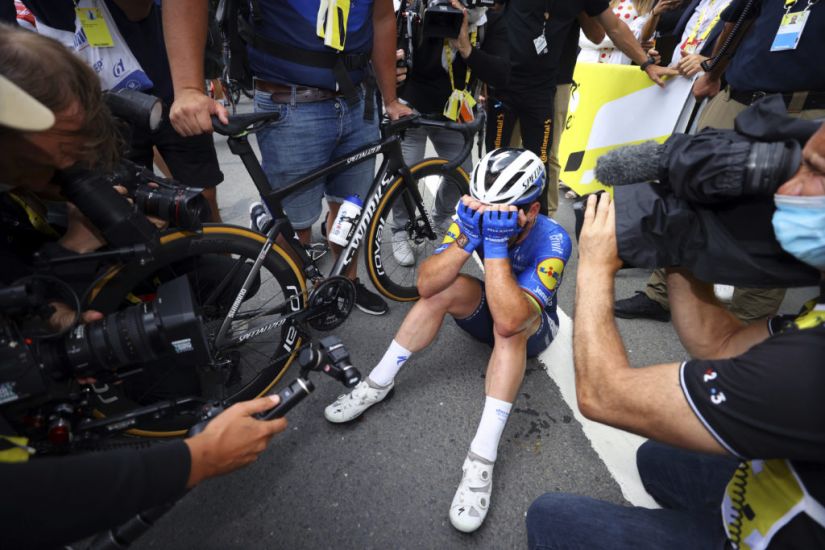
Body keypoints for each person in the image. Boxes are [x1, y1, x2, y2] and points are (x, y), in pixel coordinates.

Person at [0, 63, 288, 550]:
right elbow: (19, 501)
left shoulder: (55, 165)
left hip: (98, 292)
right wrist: (195, 459)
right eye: (62, 146)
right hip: (59, 307)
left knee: (236, 275)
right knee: (170, 383)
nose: (70, 160)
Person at [525, 120, 825, 549]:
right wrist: (679, 245)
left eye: (816, 173)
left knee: (550, 518)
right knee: (655, 457)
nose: (788, 190)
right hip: (778, 485)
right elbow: (717, 346)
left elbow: (603, 395)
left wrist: (594, 263)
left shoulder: (809, 368)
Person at [324, 148, 572, 532]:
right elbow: (426, 284)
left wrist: (492, 247)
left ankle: (481, 460)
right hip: (491, 304)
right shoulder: (472, 217)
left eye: (502, 211)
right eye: (482, 207)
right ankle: (377, 383)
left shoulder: (554, 240)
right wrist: (465, 240)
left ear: (533, 211)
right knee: (440, 290)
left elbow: (509, 319)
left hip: (528, 326)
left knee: (509, 333)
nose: (489, 216)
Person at [162, 0, 412, 316]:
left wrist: (390, 99)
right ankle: (299, 300)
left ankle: (347, 282)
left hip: (357, 100)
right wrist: (187, 88)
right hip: (289, 103)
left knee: (350, 208)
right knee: (295, 227)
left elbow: (382, 15)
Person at [615, 0, 825, 323]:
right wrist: (714, 71)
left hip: (801, 110)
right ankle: (662, 294)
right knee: (689, 188)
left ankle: (747, 323)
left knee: (774, 216)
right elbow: (737, 19)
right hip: (737, 97)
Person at [2, 0, 227, 223]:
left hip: (160, 75)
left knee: (201, 203)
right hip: (86, 105)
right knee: (116, 212)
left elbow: (139, 10)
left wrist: (189, 88)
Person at [487, 0, 677, 216]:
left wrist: (646, 63)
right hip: (505, 79)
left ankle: (543, 226)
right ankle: (492, 221)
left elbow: (608, 29)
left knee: (544, 159)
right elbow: (491, 13)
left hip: (550, 83)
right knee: (499, 155)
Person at [390, 0, 510, 266]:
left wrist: (466, 47)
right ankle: (400, 228)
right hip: (413, 100)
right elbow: (397, 52)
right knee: (405, 171)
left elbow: (501, 73)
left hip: (455, 107)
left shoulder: (490, 20)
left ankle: (442, 216)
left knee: (463, 172)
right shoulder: (422, 10)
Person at [577, 0, 656, 64]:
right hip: (586, 63)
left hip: (616, 68)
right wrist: (632, 44)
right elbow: (583, 39)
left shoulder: (649, 11)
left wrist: (632, 42)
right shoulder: (605, 3)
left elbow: (640, 38)